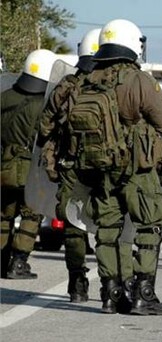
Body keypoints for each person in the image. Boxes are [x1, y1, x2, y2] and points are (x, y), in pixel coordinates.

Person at [68, 19, 162, 315]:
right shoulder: (138, 79)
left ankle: (110, 294)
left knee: (107, 229)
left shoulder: (88, 78)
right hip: (136, 170)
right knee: (150, 225)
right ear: (132, 44)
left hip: (99, 167)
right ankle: (143, 294)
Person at [38, 28, 101, 301]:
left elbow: (44, 128)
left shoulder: (67, 84)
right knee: (109, 223)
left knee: (74, 226)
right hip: (105, 165)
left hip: (70, 165)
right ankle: (112, 284)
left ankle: (77, 281)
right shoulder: (114, 84)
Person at [1, 49, 58, 279]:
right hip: (30, 171)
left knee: (3, 214)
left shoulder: (5, 97)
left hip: (4, 167)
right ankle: (18, 263)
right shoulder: (45, 106)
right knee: (31, 214)